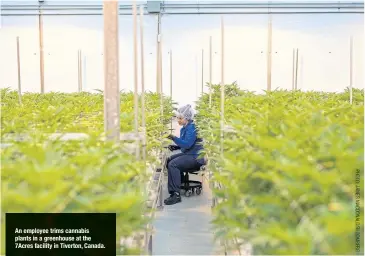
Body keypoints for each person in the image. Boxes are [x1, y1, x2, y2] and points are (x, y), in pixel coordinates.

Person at [164, 104, 206, 205]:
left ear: (187, 118)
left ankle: (175, 195)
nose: (178, 119)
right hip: (189, 154)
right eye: (177, 117)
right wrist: (177, 146)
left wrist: (173, 137)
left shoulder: (192, 128)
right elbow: (186, 143)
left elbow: (187, 144)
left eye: (180, 118)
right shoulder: (185, 127)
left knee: (173, 164)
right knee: (169, 160)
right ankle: (179, 182)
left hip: (195, 157)